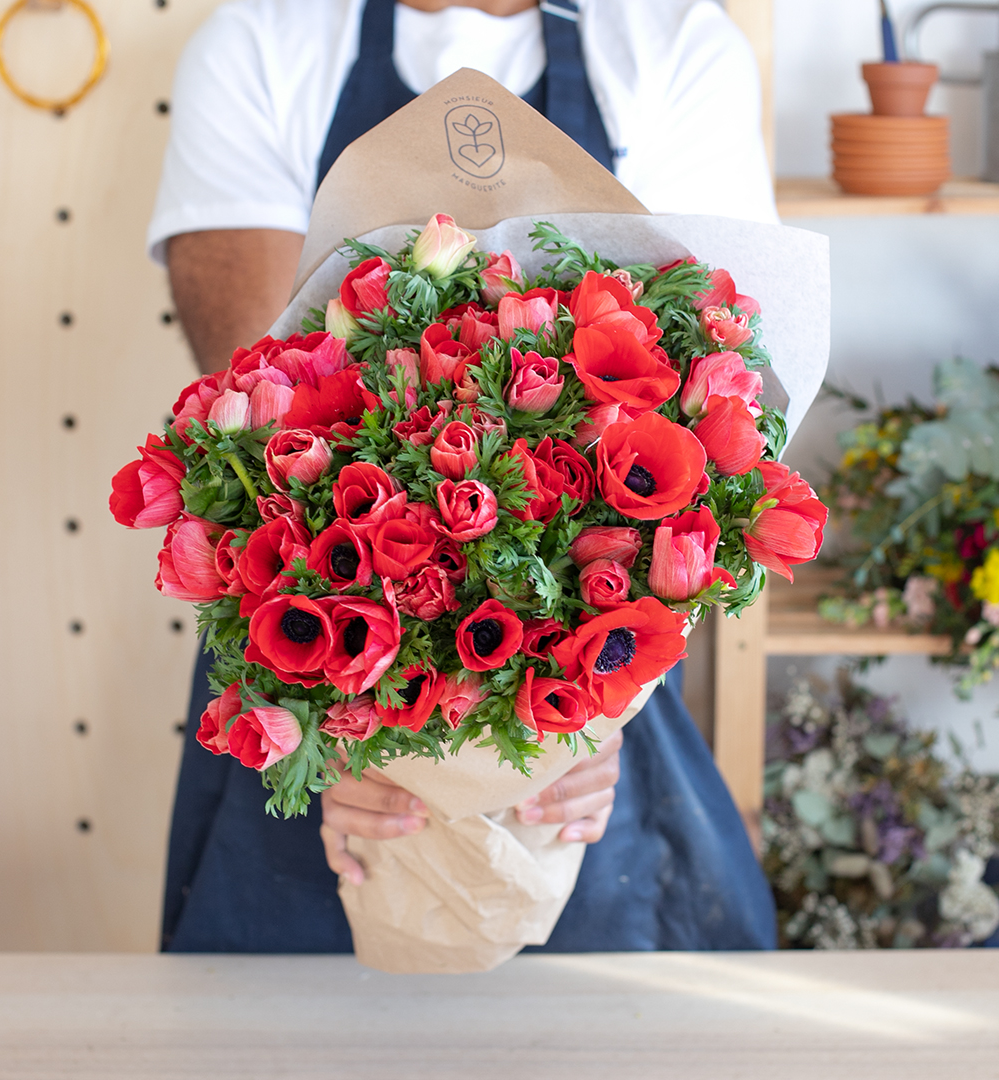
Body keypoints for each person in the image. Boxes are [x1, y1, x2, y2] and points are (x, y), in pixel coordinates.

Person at [149, 0, 779, 953]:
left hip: (592, 698)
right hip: (313, 664)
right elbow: (260, 423)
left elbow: (715, 404)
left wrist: (585, 723)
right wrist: (338, 721)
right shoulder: (262, 45)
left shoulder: (672, 44)